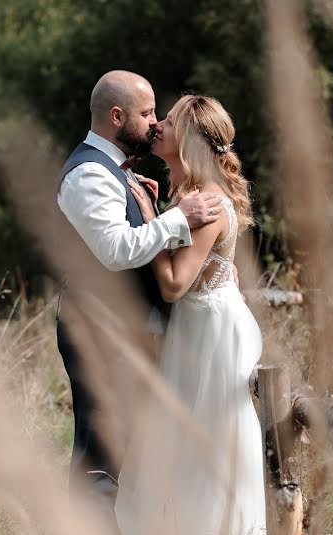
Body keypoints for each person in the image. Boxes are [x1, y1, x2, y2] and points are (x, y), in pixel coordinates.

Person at [56, 71, 223, 529]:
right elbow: (115, 251)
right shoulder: (89, 172)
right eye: (148, 113)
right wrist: (177, 219)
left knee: (121, 455)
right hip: (98, 333)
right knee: (99, 457)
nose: (154, 123)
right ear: (117, 116)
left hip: (118, 332)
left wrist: (152, 213)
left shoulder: (114, 171)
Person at [115, 95, 266, 535]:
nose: (157, 124)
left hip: (209, 335)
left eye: (169, 121)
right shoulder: (190, 194)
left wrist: (149, 221)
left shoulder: (209, 202)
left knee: (202, 445)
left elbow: (175, 284)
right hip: (198, 327)